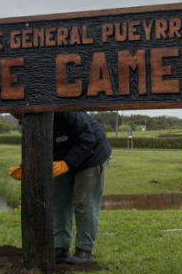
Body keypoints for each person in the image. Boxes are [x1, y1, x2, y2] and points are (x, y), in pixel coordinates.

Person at [9, 111, 111, 264]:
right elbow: (36, 146)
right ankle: (60, 248)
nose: (21, 119)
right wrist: (26, 167)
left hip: (92, 157)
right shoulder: (30, 121)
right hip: (60, 159)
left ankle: (84, 251)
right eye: (19, 118)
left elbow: (88, 139)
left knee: (84, 203)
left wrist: (67, 164)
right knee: (59, 202)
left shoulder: (68, 112)